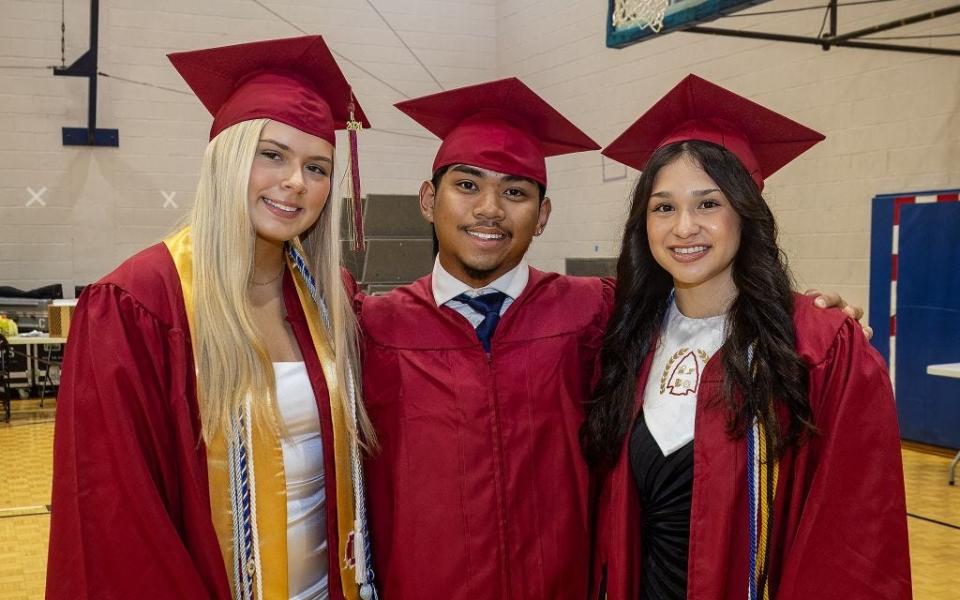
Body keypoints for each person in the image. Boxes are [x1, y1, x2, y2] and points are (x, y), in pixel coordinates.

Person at [353, 77, 864, 600]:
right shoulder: (369, 326)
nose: (490, 209)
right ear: (426, 199)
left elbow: (717, 299)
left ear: (543, 215)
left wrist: (814, 321)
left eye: (515, 191)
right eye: (467, 185)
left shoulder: (592, 312)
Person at [46, 36, 377, 600]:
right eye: (272, 155)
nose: (296, 182)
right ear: (226, 158)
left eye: (317, 167)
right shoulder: (139, 304)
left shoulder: (331, 301)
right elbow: (116, 514)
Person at [582, 74, 911, 600]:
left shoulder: (818, 349)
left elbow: (856, 541)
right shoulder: (621, 336)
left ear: (746, 211)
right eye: (663, 207)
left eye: (708, 204)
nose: (683, 226)